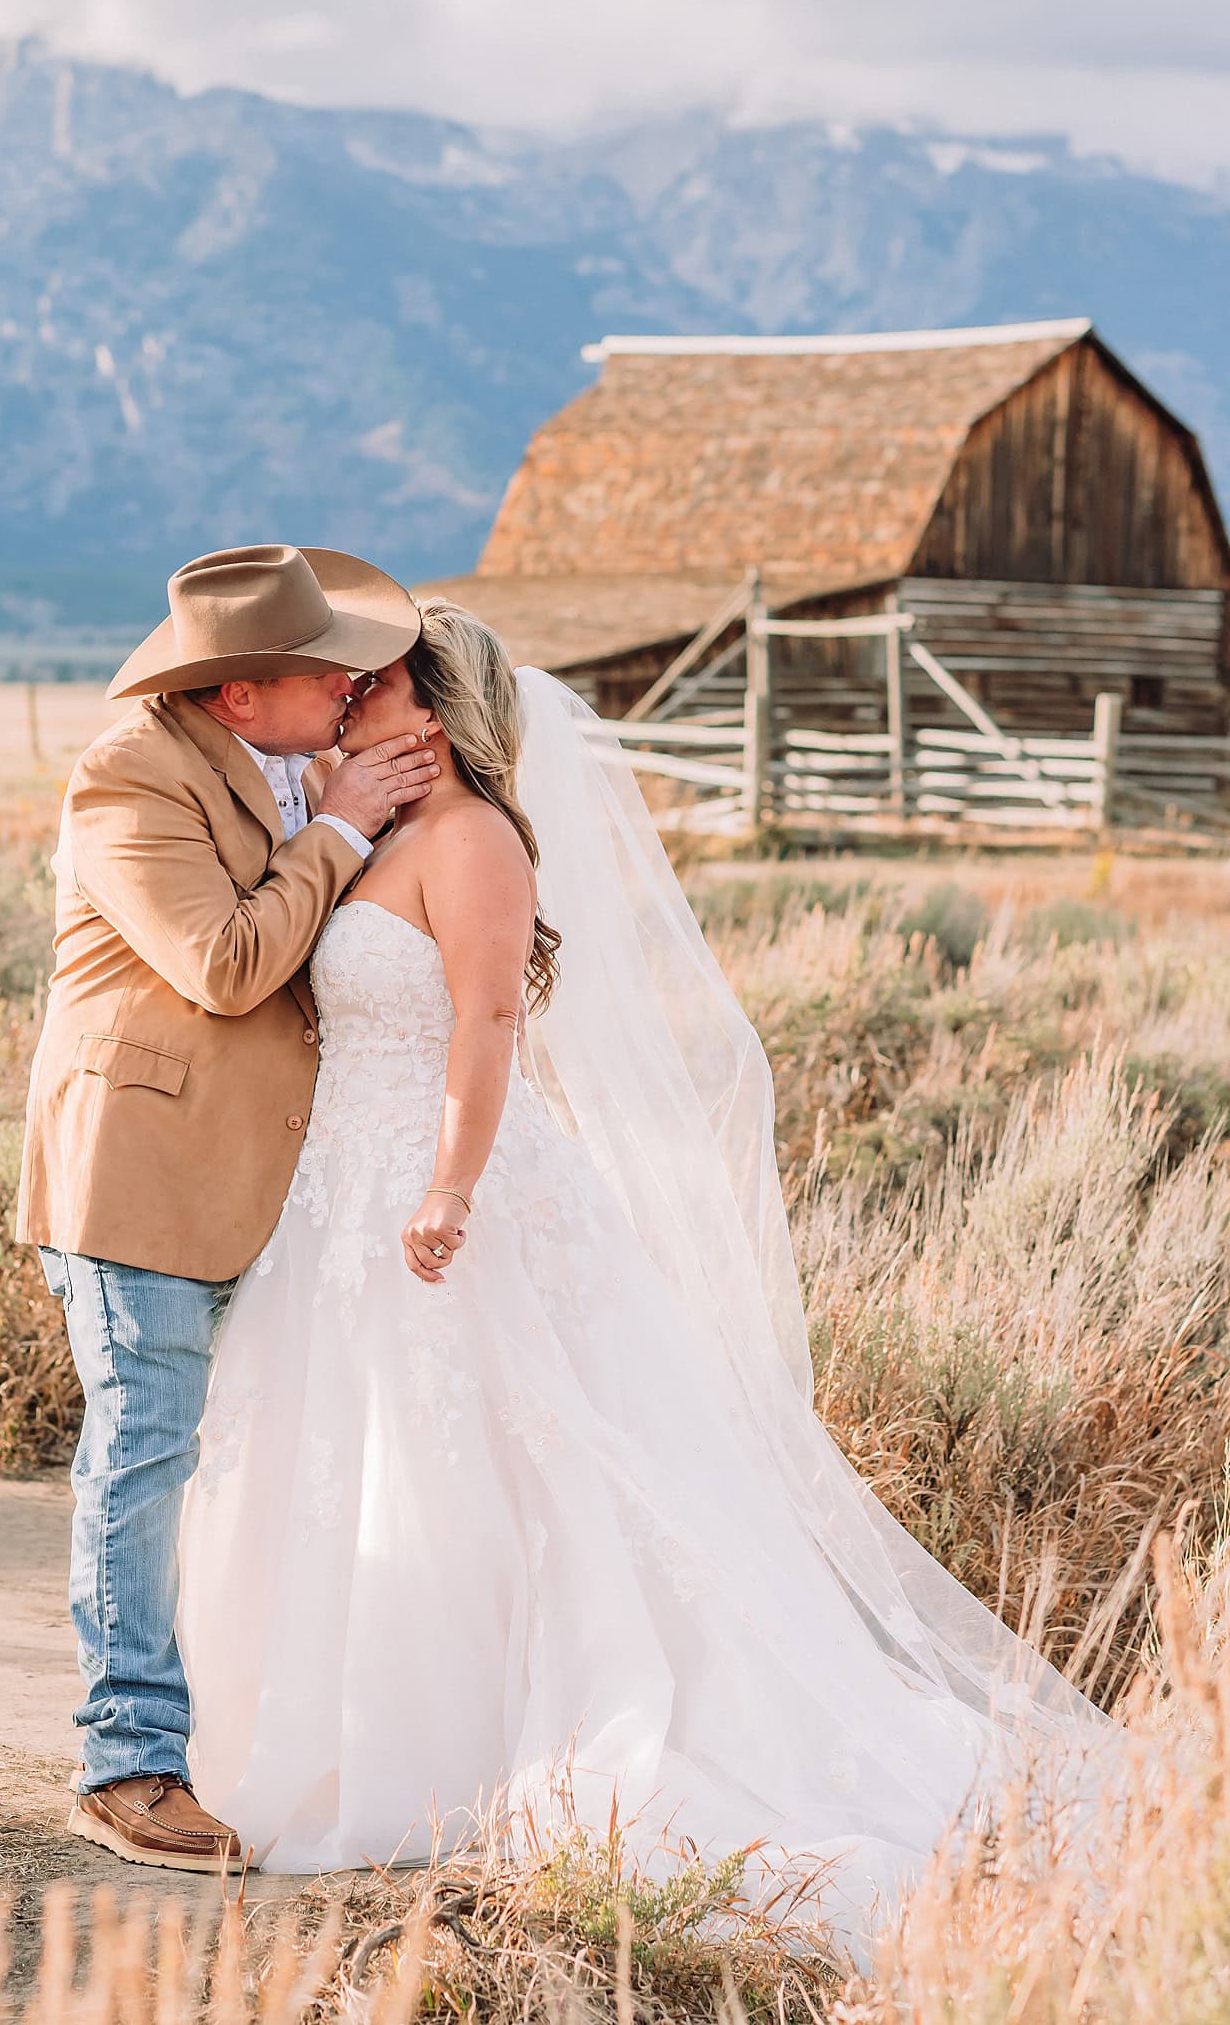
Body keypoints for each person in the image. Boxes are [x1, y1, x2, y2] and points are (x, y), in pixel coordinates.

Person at [176, 599, 1116, 1952]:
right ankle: (338, 1741)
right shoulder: (372, 824)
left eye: (371, 684)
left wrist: (449, 1186)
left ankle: (498, 1747)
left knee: (513, 1468)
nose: (343, 697)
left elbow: (490, 1018)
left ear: (432, 711)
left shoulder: (478, 840)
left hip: (444, 1196)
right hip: (338, 1200)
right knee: (354, 1455)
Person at [17, 542, 434, 1870]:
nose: (352, 682)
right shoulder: (129, 775)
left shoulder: (293, 764)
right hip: (138, 1169)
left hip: (265, 1176)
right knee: (142, 1452)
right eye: (326, 672)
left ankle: (245, 1723)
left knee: (234, 1454)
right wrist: (347, 827)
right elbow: (227, 961)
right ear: (241, 697)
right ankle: (124, 1763)